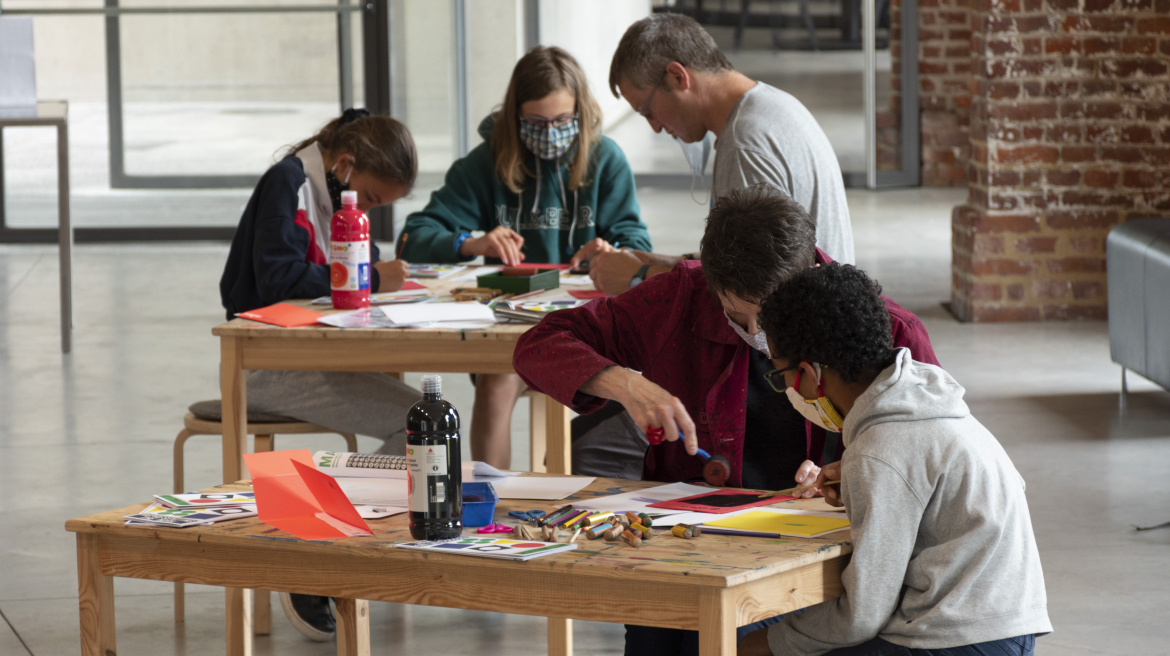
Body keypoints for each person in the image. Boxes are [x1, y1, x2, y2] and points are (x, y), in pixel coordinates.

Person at [513, 184, 937, 656]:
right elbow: (539, 343)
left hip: (816, 553)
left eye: (770, 319)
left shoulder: (890, 330)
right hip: (685, 539)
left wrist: (851, 472)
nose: (756, 334)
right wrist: (623, 383)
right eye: (736, 316)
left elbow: (927, 465)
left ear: (808, 276)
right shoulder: (680, 296)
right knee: (661, 634)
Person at [739, 263, 1051, 656]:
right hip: (1005, 622)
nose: (784, 386)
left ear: (810, 373)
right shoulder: (930, 401)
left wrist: (770, 643)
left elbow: (862, 614)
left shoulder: (881, 450)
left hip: (952, 637)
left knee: (753, 645)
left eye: (780, 372)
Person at [219, 108, 423, 642]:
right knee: (419, 423)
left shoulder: (332, 191)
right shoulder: (289, 183)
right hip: (266, 362)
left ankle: (327, 537)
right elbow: (279, 278)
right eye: (374, 199)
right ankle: (311, 542)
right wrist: (374, 277)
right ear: (346, 163)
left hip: (313, 355)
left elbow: (350, 264)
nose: (371, 210)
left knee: (423, 420)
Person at [398, 46, 652, 469]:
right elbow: (414, 237)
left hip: (586, 323)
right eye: (536, 122)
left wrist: (612, 251)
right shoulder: (485, 164)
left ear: (581, 113)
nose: (549, 132)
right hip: (512, 328)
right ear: (515, 116)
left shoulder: (605, 159)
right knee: (498, 381)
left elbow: (635, 239)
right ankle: (492, 498)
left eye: (561, 121)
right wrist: (471, 243)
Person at [587, 13, 854, 295]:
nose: (654, 127)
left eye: (647, 111)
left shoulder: (745, 144)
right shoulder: (771, 105)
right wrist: (665, 263)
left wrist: (640, 276)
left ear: (678, 76)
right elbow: (748, 262)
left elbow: (752, 293)